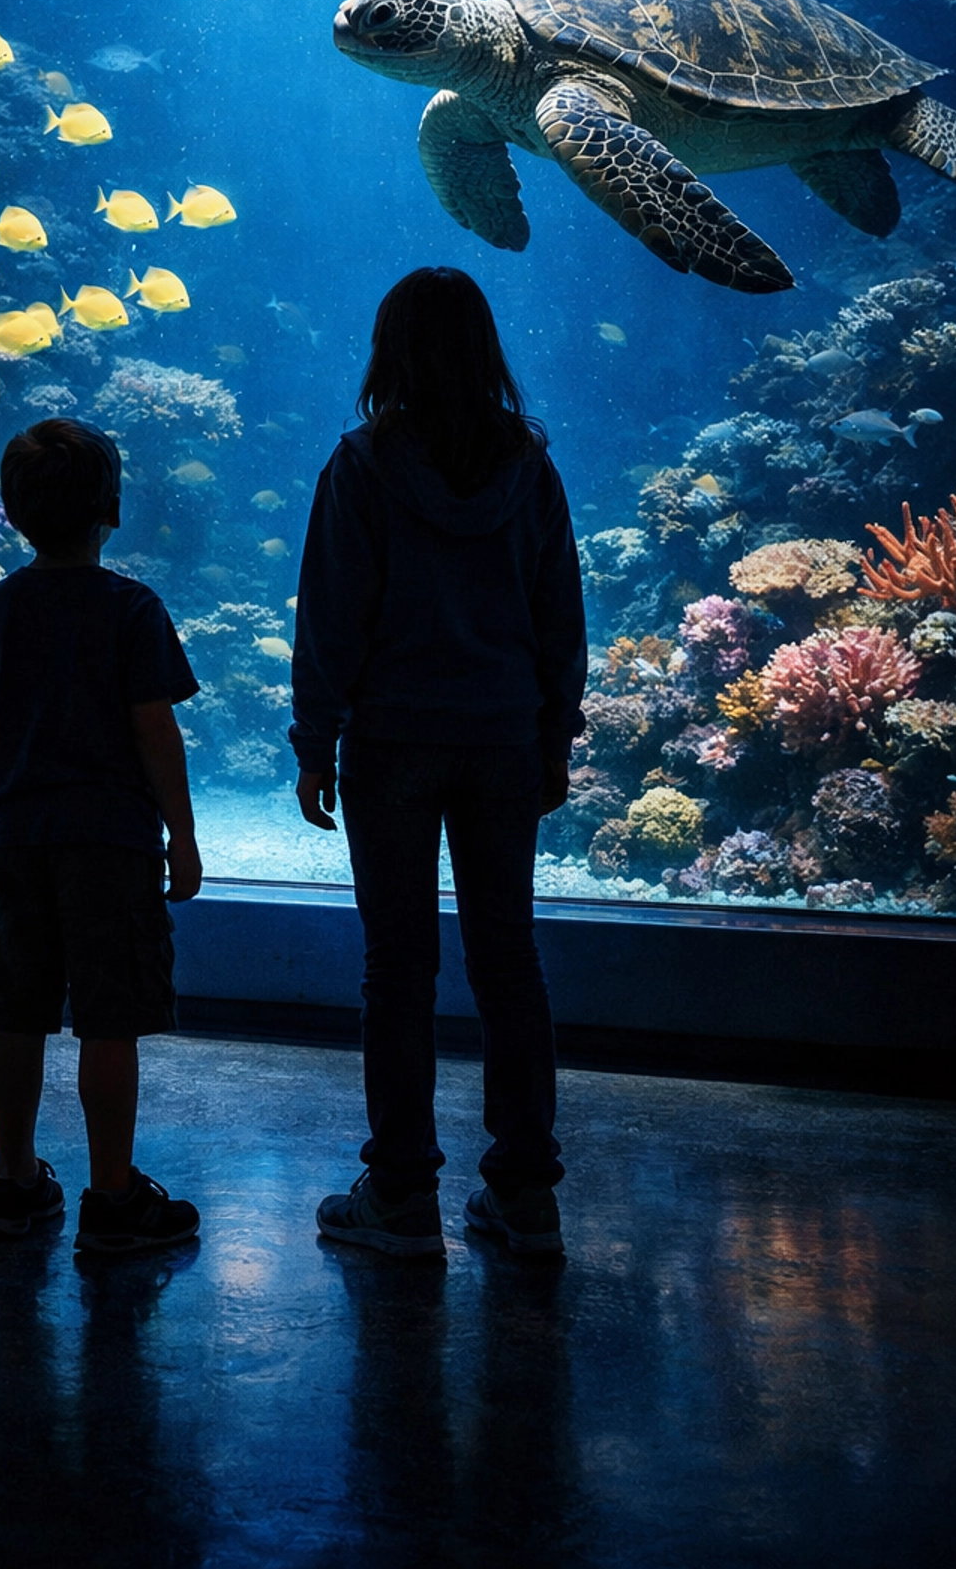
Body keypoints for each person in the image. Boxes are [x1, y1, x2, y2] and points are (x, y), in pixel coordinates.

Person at [290, 268, 587, 1260]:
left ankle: (403, 1193)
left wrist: (315, 739)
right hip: (503, 739)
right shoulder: (531, 467)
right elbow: (560, 620)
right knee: (510, 960)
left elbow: (331, 617)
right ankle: (524, 1196)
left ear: (391, 352)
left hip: (395, 745)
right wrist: (556, 734)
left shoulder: (363, 467)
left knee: (398, 967)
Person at [0, 417, 204, 1254]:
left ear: (15, 515)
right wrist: (184, 838)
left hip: (17, 840)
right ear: (111, 511)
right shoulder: (132, 608)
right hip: (112, 846)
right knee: (108, 1021)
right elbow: (154, 731)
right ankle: (114, 1197)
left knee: (14, 1015)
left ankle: (14, 1184)